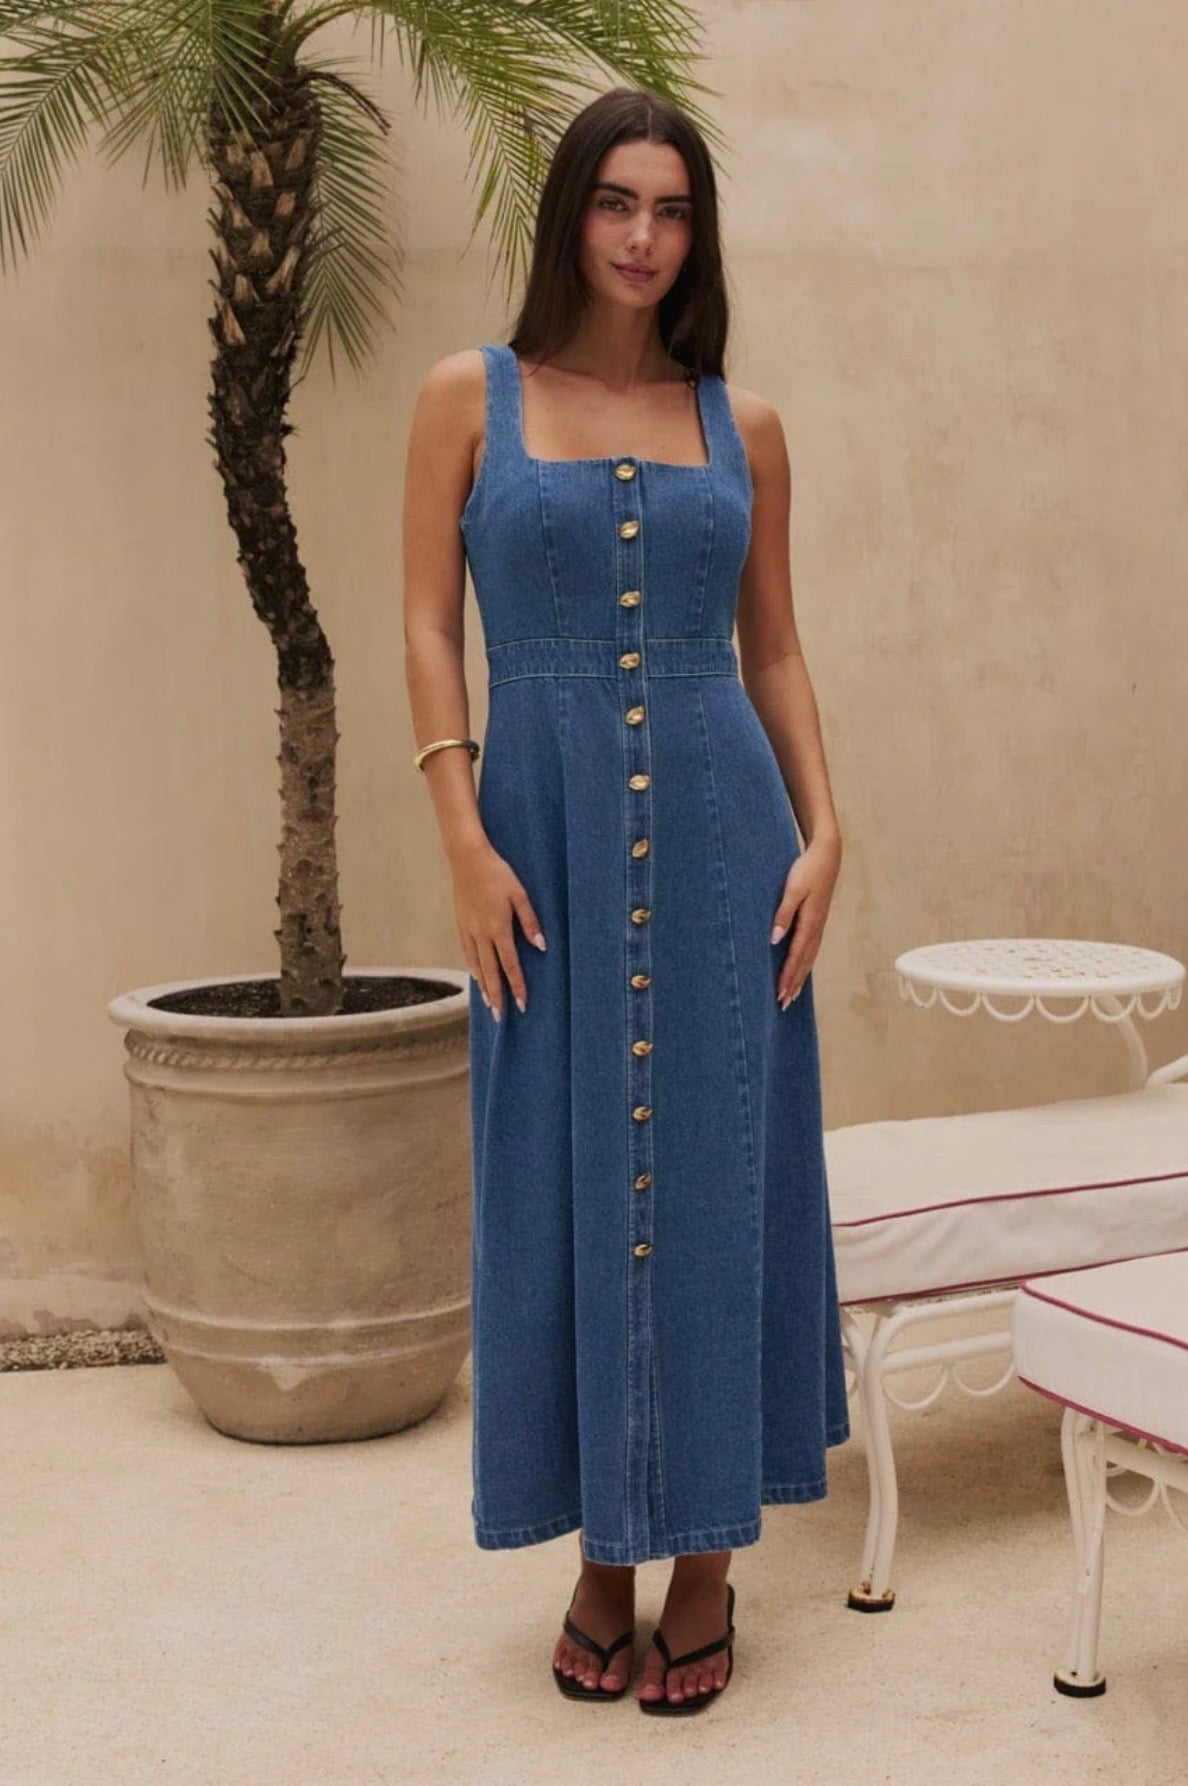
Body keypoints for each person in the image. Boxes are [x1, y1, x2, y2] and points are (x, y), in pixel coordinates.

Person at [402, 85, 850, 1715]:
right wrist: (462, 830)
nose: (643, 236)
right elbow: (426, 622)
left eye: (671, 209)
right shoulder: (471, 395)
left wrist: (826, 828)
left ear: (696, 232)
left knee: (723, 1177)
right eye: (616, 201)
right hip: (541, 845)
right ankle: (603, 1547)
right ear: (571, 214)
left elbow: (772, 646)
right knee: (556, 1169)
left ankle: (707, 1560)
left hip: (731, 846)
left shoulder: (746, 427)